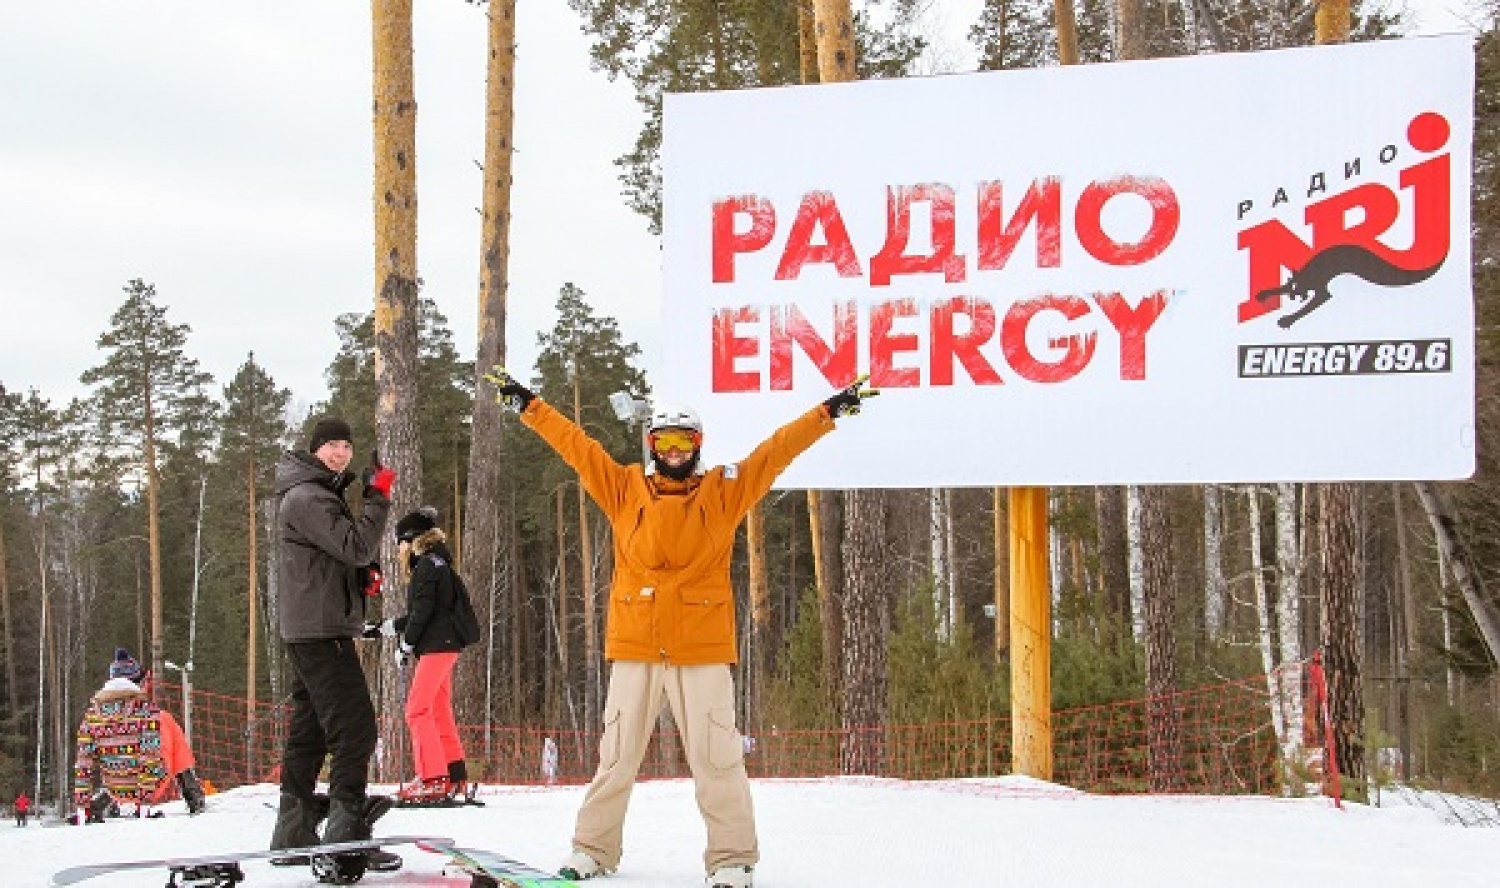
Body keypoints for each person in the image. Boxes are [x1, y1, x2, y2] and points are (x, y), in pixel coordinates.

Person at [485, 366, 877, 888]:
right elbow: (576, 446)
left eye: (683, 441)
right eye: (664, 441)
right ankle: (593, 849)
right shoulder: (624, 488)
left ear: (697, 445)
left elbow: (776, 450)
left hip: (701, 646)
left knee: (717, 758)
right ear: (652, 446)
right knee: (616, 755)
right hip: (636, 643)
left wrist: (827, 412)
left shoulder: (723, 492)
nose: (673, 451)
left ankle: (733, 858)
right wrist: (530, 405)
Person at [270, 418, 399, 875]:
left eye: (346, 445)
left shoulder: (317, 494)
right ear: (315, 450)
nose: (341, 453)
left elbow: (340, 555)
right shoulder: (308, 496)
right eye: (331, 446)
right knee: (356, 727)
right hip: (320, 631)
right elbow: (357, 544)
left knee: (312, 729)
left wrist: (359, 577)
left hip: (311, 626)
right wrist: (377, 498)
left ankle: (294, 826)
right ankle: (346, 827)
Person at [373, 506, 476, 806]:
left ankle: (432, 779)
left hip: (437, 645)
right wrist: (384, 629)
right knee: (438, 709)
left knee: (417, 710)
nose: (398, 549)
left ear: (412, 539)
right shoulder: (438, 562)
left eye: (400, 542)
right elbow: (426, 611)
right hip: (444, 642)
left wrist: (406, 644)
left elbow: (422, 612)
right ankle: (454, 775)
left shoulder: (426, 566)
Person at [72, 648, 207, 822]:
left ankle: (102, 803)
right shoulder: (148, 714)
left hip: (115, 787)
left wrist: (82, 805)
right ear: (141, 682)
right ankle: (193, 794)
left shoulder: (92, 716)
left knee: (115, 758)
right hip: (148, 788)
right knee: (168, 726)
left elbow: (84, 764)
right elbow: (149, 759)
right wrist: (144, 805)